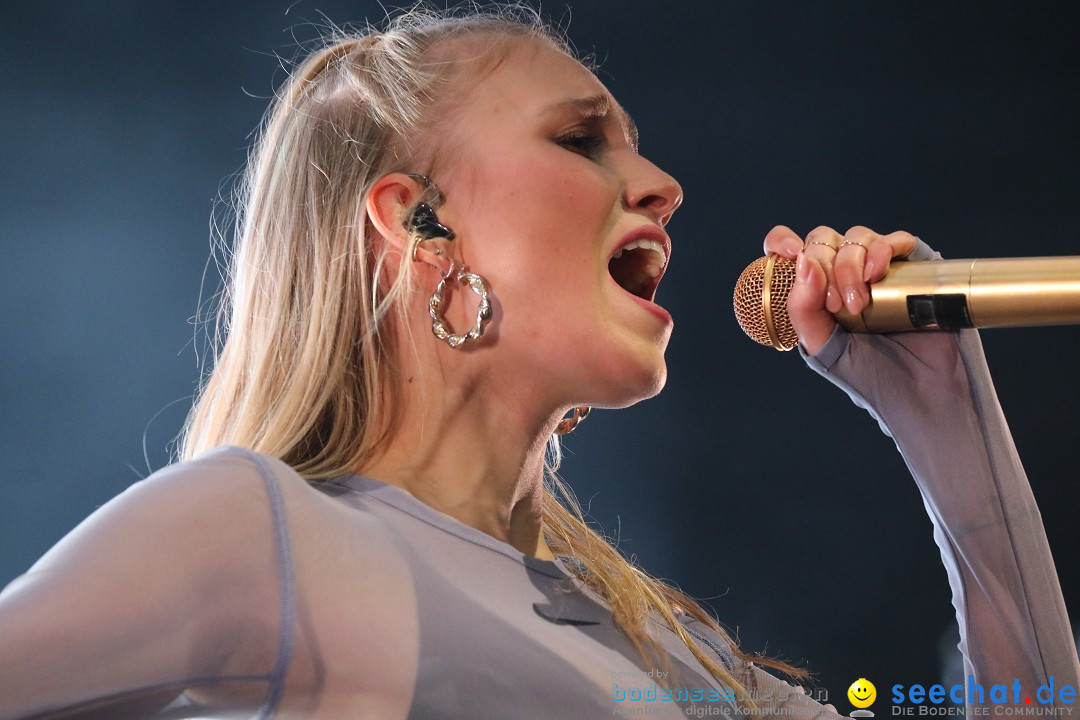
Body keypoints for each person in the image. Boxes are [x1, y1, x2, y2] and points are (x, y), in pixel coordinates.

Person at [0, 6, 1076, 719]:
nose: (662, 184)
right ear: (418, 219)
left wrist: (945, 418)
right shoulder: (263, 537)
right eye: (581, 139)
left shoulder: (688, 663)